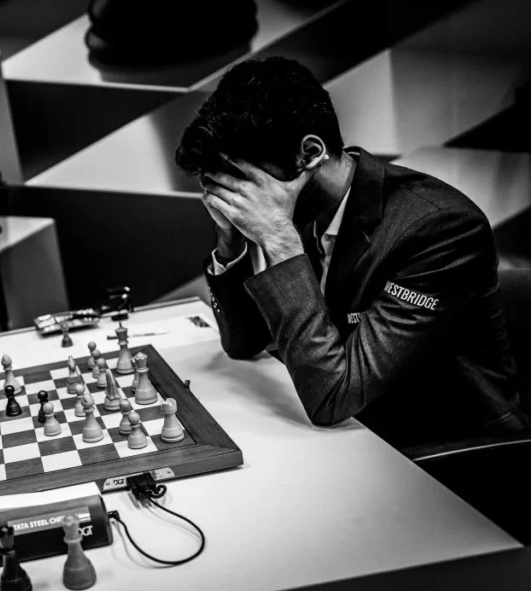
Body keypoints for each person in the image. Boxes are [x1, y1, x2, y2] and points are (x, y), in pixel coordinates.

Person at [175, 56, 529, 449]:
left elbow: (333, 397)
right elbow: (244, 344)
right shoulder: (301, 203)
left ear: (310, 154)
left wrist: (279, 240)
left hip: (447, 446)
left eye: (243, 181)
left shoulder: (439, 228)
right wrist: (230, 242)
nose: (238, 199)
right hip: (357, 428)